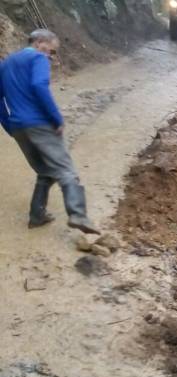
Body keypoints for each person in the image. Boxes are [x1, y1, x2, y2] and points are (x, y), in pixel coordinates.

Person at [0, 30, 99, 234]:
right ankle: (78, 215)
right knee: (65, 169)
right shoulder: (38, 57)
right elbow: (39, 85)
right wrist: (56, 118)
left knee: (46, 170)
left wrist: (10, 126)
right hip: (40, 124)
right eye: (51, 51)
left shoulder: (6, 64)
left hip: (18, 127)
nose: (51, 56)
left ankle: (37, 216)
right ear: (39, 42)